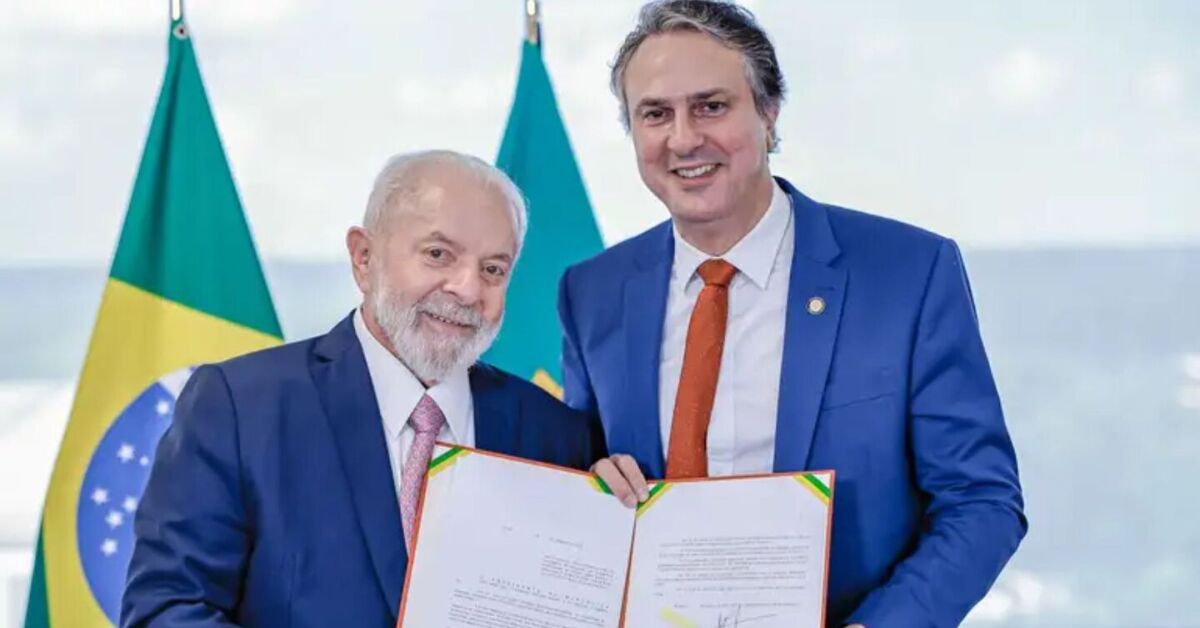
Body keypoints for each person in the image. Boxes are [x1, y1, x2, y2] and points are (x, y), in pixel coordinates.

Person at [565, 2, 1025, 626]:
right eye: (655, 114)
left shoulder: (909, 273)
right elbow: (581, 476)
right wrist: (590, 487)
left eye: (711, 106)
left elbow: (982, 500)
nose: (683, 138)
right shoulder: (591, 292)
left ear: (769, 112)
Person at [122, 150, 606, 627]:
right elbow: (165, 610)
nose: (468, 289)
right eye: (438, 254)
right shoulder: (239, 407)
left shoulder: (556, 436)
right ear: (363, 257)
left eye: (493, 269)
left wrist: (622, 512)